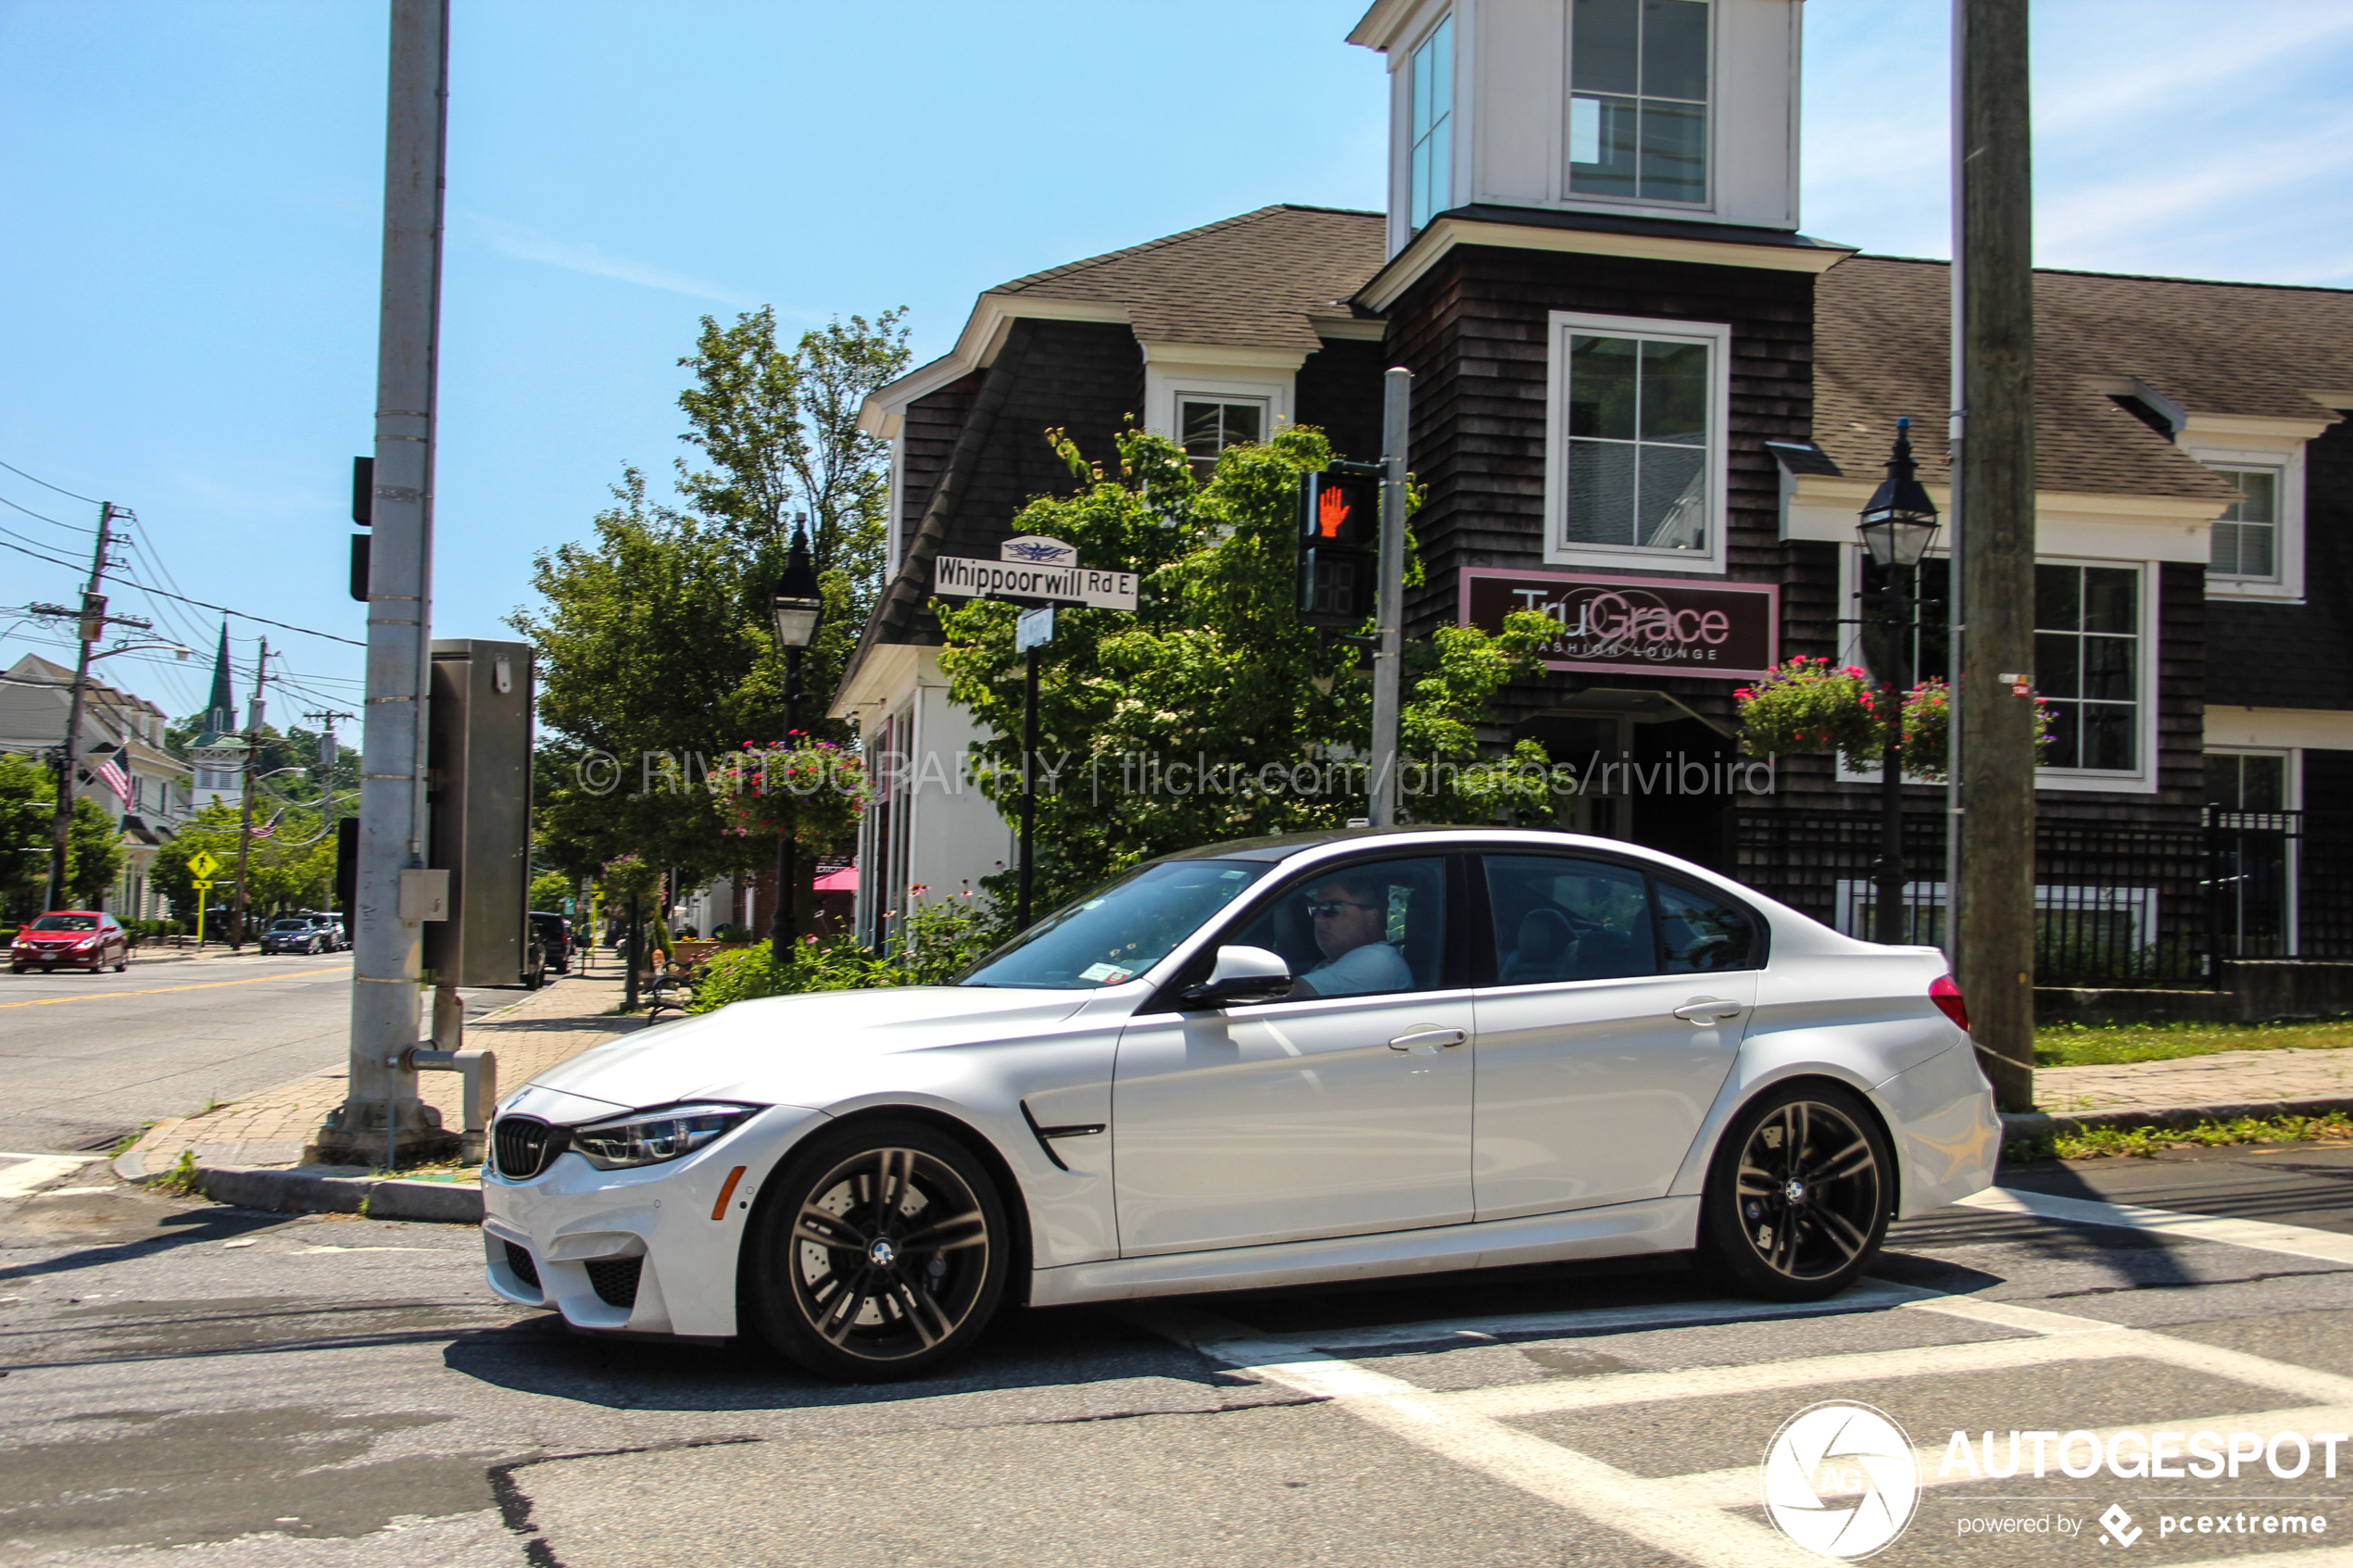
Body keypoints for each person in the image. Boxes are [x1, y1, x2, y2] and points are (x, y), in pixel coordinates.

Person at [1289, 871, 1411, 998]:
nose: (1317, 919)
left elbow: (1290, 992)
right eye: (1315, 908)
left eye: (1331, 907)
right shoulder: (1333, 963)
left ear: (1371, 916)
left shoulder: (1377, 960)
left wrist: (1266, 986)